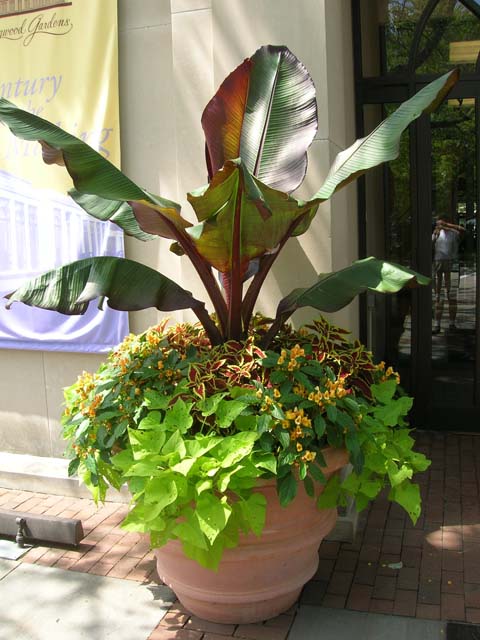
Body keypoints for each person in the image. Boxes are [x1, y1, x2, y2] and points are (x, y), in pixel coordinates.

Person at [432, 215, 464, 334]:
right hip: (438, 262)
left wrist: (448, 226)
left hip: (452, 263)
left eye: (441, 223)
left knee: (451, 294)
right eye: (438, 224)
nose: (440, 226)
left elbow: (462, 230)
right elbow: (429, 245)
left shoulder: (453, 233)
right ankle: (437, 324)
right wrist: (435, 233)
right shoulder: (436, 233)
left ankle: (451, 323)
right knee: (438, 296)